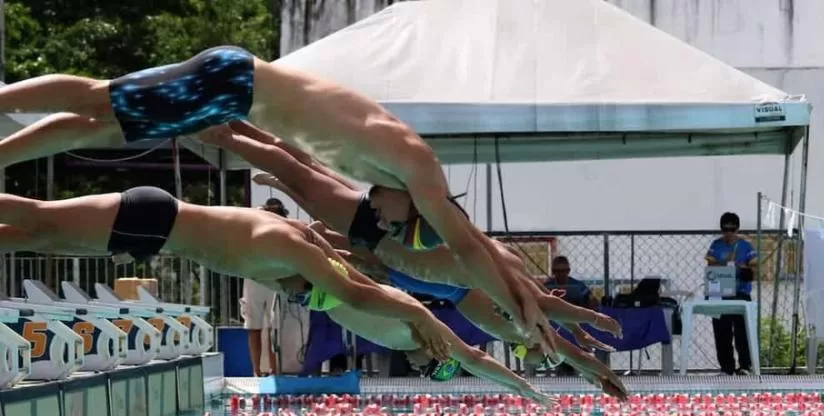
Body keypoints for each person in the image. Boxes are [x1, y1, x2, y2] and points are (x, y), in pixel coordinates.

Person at [0, 47, 556, 353]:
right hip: (232, 81)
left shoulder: (376, 172)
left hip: (231, 90)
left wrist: (539, 312)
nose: (382, 219)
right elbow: (465, 244)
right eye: (399, 221)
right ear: (418, 201)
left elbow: (469, 246)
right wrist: (526, 306)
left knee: (104, 125)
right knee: (100, 102)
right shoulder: (408, 166)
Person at [197, 123, 622, 353]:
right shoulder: (473, 257)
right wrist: (594, 322)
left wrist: (583, 347)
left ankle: (240, 135)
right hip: (376, 229)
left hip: (377, 246)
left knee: (306, 180)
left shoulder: (468, 289)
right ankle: (233, 134)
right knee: (304, 175)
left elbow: (534, 314)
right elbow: (537, 303)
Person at [0, 186, 454, 364]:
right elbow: (358, 294)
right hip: (153, 218)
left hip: (154, 233)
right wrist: (426, 318)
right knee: (39, 217)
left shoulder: (292, 249)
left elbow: (340, 260)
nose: (294, 297)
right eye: (305, 296)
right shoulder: (291, 251)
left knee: (35, 238)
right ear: (309, 277)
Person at [333, 252, 627, 401]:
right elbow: (557, 325)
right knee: (375, 262)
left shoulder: (518, 330)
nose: (415, 366)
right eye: (424, 367)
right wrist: (594, 320)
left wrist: (594, 373)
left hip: (448, 285)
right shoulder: (520, 327)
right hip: (452, 283)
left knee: (372, 263)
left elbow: (568, 346)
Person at [705, 212, 757, 376]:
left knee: (742, 330)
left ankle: (744, 366)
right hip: (720, 292)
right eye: (725, 229)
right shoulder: (716, 245)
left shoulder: (746, 247)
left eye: (732, 229)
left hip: (740, 292)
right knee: (721, 331)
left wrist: (743, 269)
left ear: (737, 229)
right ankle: (726, 367)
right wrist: (724, 264)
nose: (728, 233)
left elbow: (754, 271)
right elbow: (710, 265)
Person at [242, 197, 287, 376]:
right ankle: (256, 371)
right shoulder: (254, 226)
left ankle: (274, 370)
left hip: (275, 279)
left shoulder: (285, 230)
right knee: (254, 326)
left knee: (275, 327)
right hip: (255, 278)